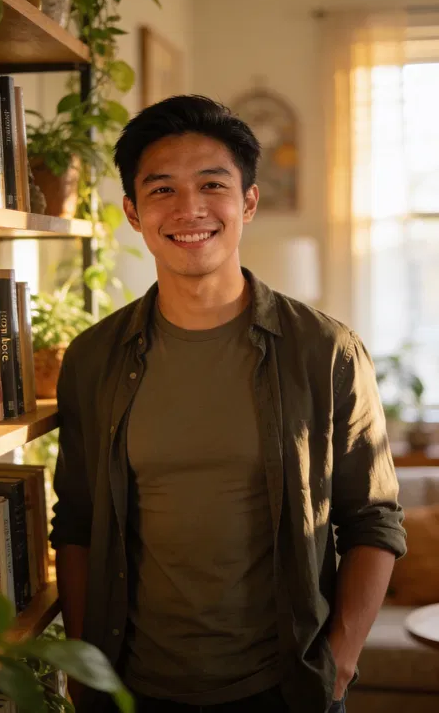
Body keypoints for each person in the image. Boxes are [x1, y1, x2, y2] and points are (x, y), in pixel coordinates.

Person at [50, 95, 406, 713]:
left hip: (285, 689)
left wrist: (340, 663)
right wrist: (84, 672)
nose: (189, 209)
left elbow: (373, 518)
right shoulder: (94, 357)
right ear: (133, 214)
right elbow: (77, 522)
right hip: (135, 689)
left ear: (248, 201)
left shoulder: (325, 351)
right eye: (162, 190)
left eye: (212, 184)